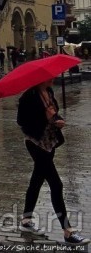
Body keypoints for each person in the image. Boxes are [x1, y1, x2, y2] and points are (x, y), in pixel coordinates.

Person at [16, 79, 89, 245]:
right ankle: (68, 231)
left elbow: (54, 114)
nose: (53, 77)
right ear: (41, 79)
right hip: (36, 143)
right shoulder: (28, 97)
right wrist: (45, 119)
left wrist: (58, 121)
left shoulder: (48, 92)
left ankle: (26, 220)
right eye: (50, 76)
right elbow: (22, 121)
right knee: (56, 184)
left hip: (50, 142)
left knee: (36, 181)